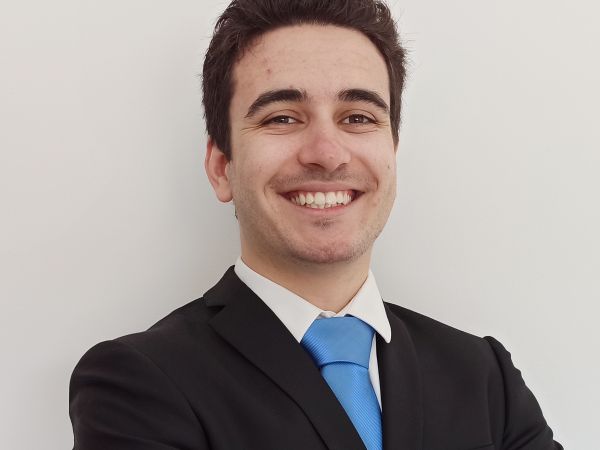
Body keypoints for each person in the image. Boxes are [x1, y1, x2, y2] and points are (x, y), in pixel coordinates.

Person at [69, 1, 562, 449]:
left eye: (358, 117)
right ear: (222, 168)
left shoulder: (484, 376)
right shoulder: (138, 384)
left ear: (391, 153)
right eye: (282, 118)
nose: (327, 153)